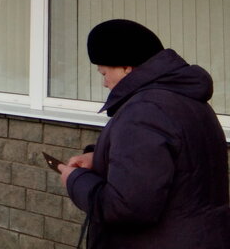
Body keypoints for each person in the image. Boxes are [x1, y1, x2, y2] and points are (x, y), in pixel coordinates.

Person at [58, 19, 230, 249]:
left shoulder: (143, 112)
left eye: (104, 72)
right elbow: (174, 162)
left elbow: (126, 208)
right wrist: (98, 158)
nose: (104, 83)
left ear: (126, 67)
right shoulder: (187, 99)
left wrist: (76, 180)